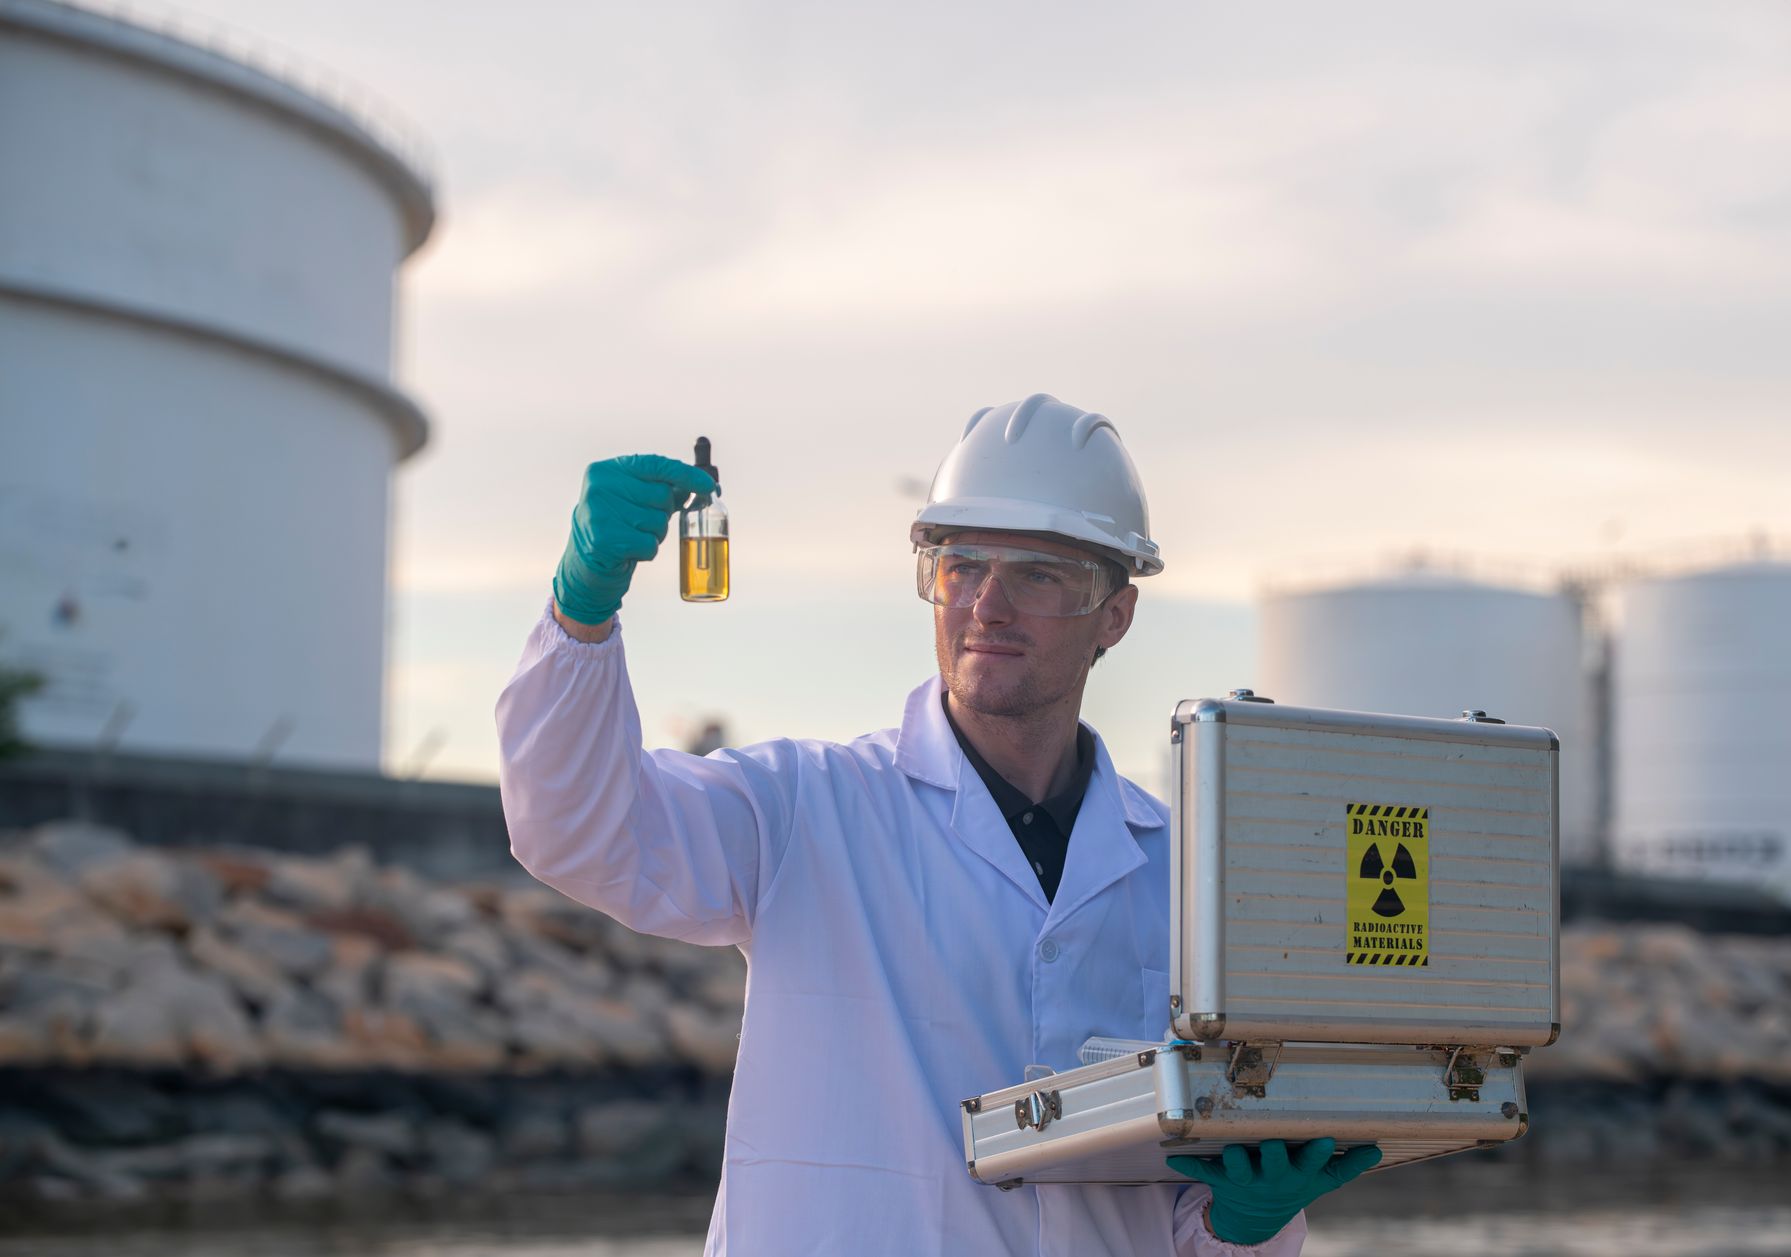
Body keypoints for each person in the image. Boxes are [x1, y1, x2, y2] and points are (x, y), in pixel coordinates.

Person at [496, 394, 1379, 1255]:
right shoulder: (808, 809)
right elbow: (578, 831)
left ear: (1116, 613)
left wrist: (1248, 1226)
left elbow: (1190, 1211)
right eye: (962, 565)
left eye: (1037, 572)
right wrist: (581, 610)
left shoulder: (1188, 882)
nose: (987, 604)